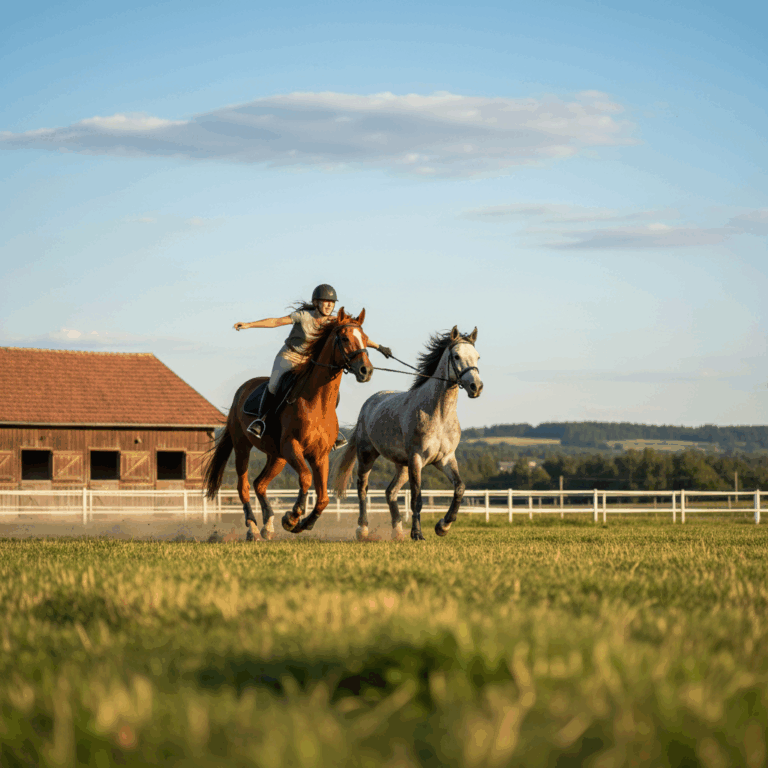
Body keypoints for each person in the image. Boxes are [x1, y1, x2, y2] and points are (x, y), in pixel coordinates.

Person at [234, 284, 392, 445]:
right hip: (290, 357)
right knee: (274, 385)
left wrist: (379, 347)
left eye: (332, 302)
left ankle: (330, 430)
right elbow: (276, 321)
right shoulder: (303, 316)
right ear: (316, 303)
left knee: (330, 393)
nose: (329, 305)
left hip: (311, 361)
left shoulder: (333, 322)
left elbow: (354, 337)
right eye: (325, 301)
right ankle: (261, 421)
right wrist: (249, 324)